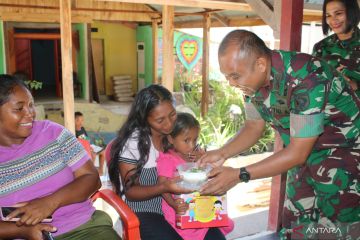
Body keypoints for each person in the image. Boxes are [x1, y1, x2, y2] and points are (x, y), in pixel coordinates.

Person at [199, 30, 360, 239]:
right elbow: (253, 127)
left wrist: (240, 175)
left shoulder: (308, 77)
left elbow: (297, 152)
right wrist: (222, 153)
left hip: (344, 156)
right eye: (226, 76)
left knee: (337, 230)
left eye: (234, 76)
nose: (230, 83)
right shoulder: (251, 84)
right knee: (295, 226)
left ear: (260, 65)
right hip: (302, 155)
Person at [0, 74, 120, 240]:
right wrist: (21, 231)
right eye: (19, 108)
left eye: (31, 105)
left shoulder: (53, 133)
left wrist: (50, 203)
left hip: (83, 228)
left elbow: (92, 178)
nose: (30, 114)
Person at [108, 84, 192, 240]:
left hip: (177, 204)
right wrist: (164, 187)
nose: (168, 124)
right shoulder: (134, 143)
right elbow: (131, 192)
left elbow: (190, 161)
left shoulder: (176, 132)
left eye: (172, 115)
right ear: (144, 119)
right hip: (145, 209)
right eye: (160, 120)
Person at [157, 112, 234, 240]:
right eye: (186, 140)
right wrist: (173, 204)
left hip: (203, 209)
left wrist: (203, 159)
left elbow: (211, 173)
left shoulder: (197, 155)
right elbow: (162, 186)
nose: (192, 145)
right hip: (182, 212)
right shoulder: (167, 159)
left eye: (195, 140)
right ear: (171, 139)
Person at [312, 0, 360, 97]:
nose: (333, 20)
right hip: (329, 109)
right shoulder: (320, 47)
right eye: (328, 15)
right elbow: (312, 80)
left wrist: (355, 85)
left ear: (352, 12)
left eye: (338, 13)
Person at [75, 111, 105, 176]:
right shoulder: (73, 131)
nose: (81, 122)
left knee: (103, 152)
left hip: (88, 146)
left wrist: (90, 146)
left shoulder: (82, 129)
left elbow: (87, 139)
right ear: (74, 121)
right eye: (78, 120)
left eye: (82, 120)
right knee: (92, 155)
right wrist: (88, 148)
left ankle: (100, 170)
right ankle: (91, 173)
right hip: (82, 149)